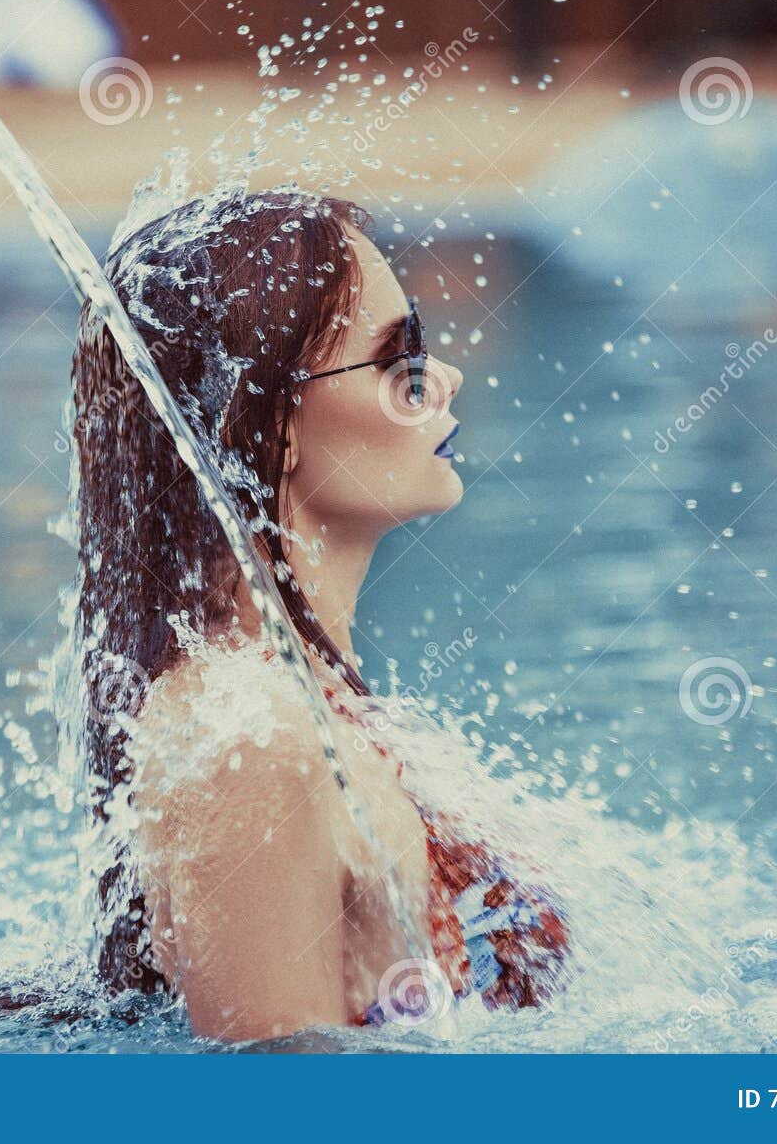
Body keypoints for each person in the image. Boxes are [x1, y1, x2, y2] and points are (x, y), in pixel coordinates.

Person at [69, 188, 568, 1042]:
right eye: (395, 357)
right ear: (264, 421)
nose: (442, 379)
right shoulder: (251, 745)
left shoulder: (302, 705)